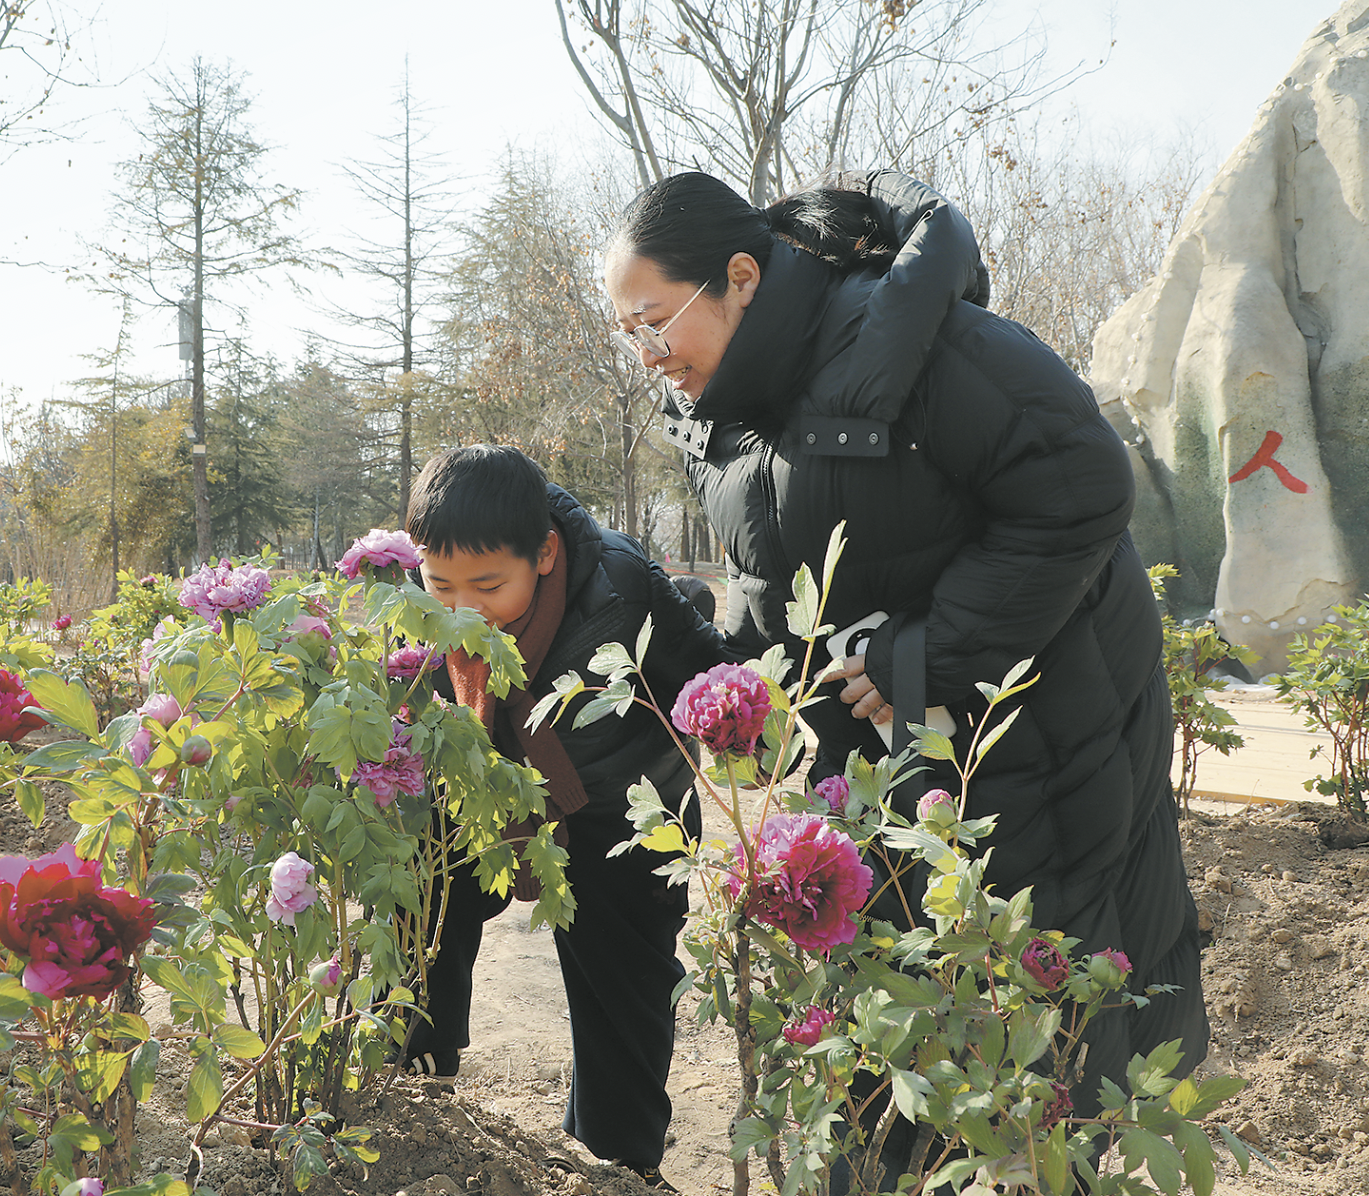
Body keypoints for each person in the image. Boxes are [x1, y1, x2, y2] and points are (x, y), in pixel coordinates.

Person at [602, 172, 1208, 1134]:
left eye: (653, 322)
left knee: (1040, 1027)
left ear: (743, 278)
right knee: (897, 1037)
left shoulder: (909, 338)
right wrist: (740, 688)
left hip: (1038, 725)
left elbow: (1082, 484)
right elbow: (776, 589)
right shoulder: (725, 421)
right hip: (886, 759)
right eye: (627, 334)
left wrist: (920, 656)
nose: (646, 356)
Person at [403, 445, 733, 1192]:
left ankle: (617, 1166)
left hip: (623, 804)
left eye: (488, 586)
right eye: (440, 584)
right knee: (415, 893)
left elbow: (712, 667)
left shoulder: (623, 586)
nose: (462, 608)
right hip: (484, 787)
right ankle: (412, 1087)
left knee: (625, 980)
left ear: (545, 553)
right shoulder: (427, 593)